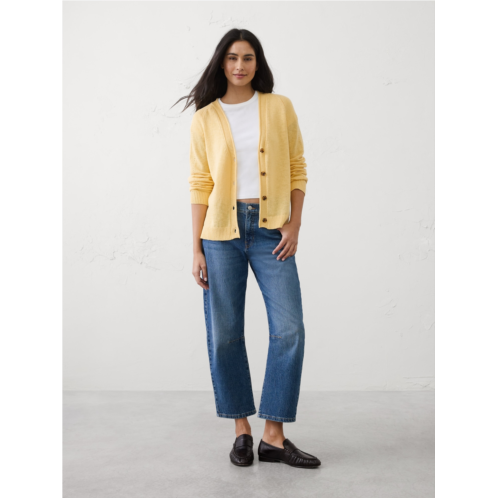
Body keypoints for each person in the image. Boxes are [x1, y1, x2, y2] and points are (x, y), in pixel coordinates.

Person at [174, 29, 321, 469]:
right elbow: (200, 183)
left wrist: (294, 223)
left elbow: (297, 167)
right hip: (220, 233)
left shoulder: (279, 107)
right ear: (222, 63)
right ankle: (241, 429)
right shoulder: (205, 118)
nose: (240, 65)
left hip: (272, 229)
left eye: (249, 57)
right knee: (224, 334)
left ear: (258, 63)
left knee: (289, 329)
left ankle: (273, 436)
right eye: (233, 57)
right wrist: (196, 248)